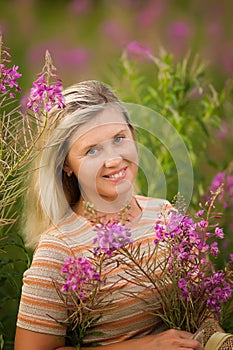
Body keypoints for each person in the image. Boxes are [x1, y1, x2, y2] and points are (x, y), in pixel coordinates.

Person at [15, 80, 204, 350]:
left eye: (119, 139)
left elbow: (205, 304)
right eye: (92, 150)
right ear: (66, 164)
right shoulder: (58, 249)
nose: (114, 159)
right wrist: (146, 346)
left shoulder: (164, 214)